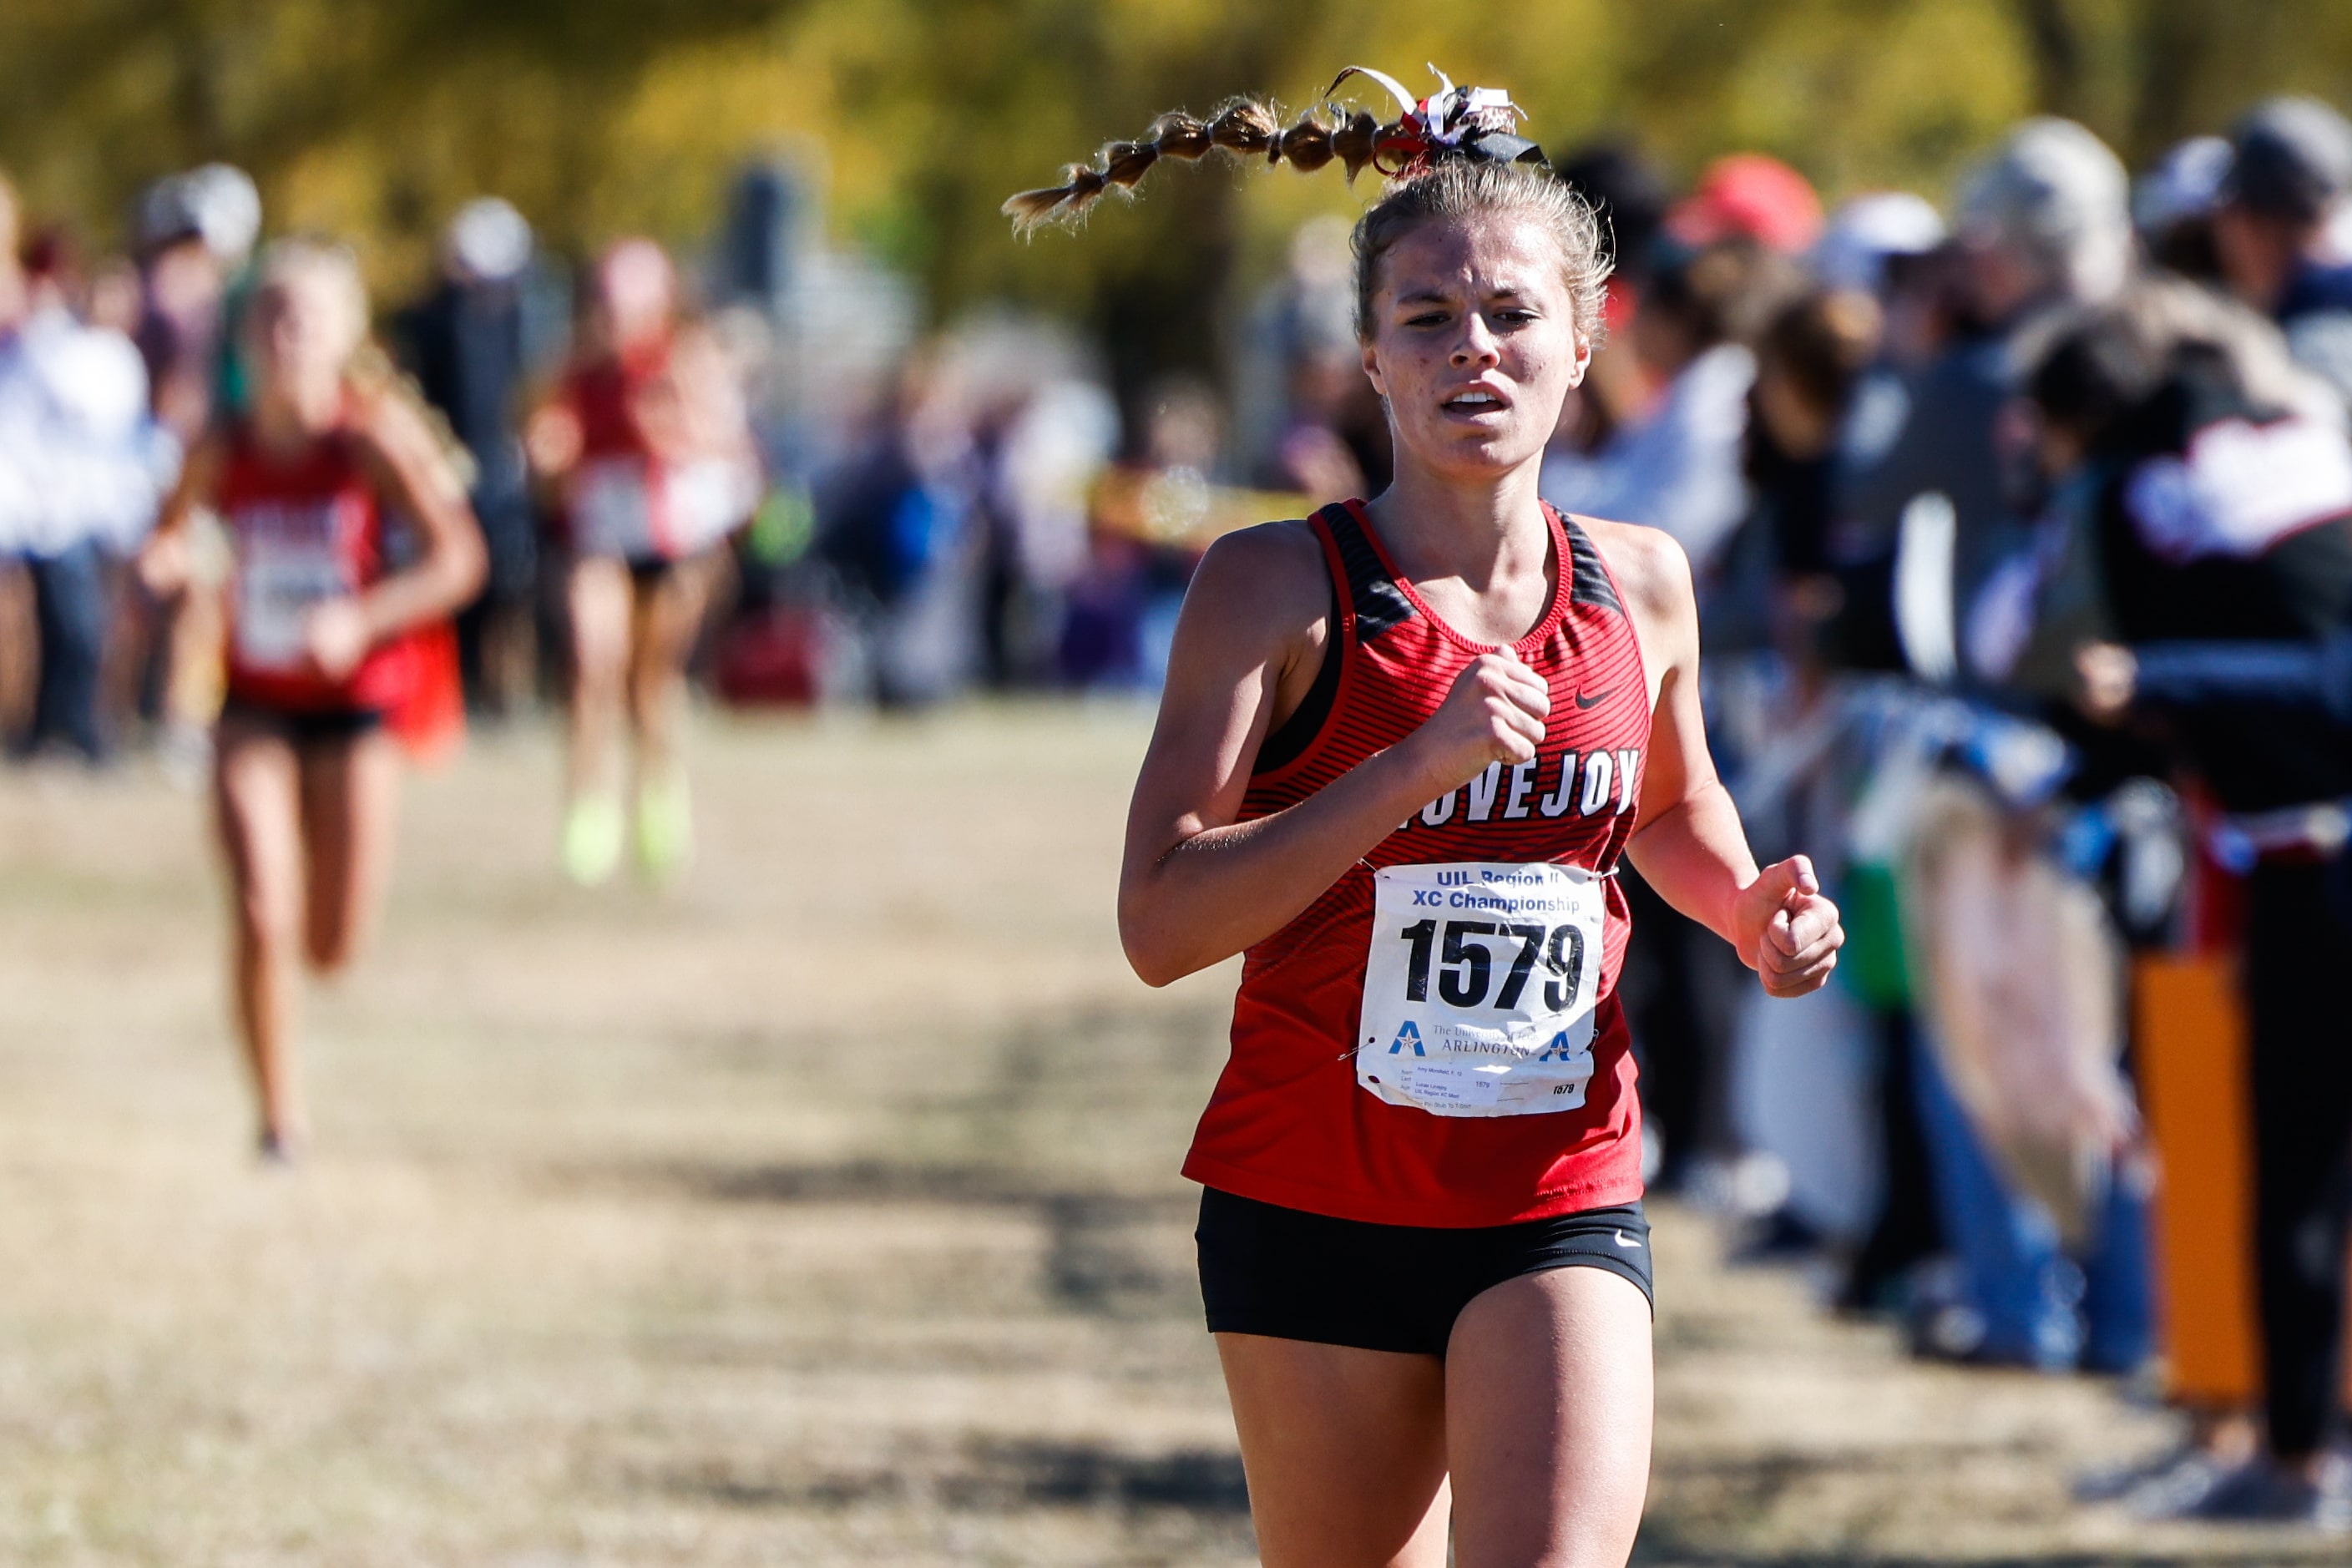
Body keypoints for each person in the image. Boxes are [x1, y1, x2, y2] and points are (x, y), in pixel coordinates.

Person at [1008, 74, 1844, 1565]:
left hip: (1554, 1187)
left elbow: (1667, 805)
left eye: (1512, 315)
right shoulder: (1271, 588)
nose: (1474, 348)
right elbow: (1159, 921)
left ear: (1584, 341)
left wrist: (1747, 912)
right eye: (1427, 319)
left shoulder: (1643, 581)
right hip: (1311, 1195)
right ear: (1368, 359)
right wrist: (1406, 767)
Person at [138, 241, 485, 1160]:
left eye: (307, 319)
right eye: (271, 317)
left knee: (330, 944)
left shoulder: (370, 442)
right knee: (261, 906)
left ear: (346, 334)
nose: (286, 337)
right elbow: (170, 536)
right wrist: (171, 562)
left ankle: (297, 1048)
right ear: (247, 335)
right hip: (250, 700)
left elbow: (461, 562)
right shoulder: (223, 445)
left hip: (356, 709)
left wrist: (363, 619)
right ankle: (278, 1121)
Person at [526, 239, 758, 886]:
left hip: (671, 543)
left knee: (651, 684)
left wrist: (674, 430)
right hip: (597, 538)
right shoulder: (574, 370)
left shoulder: (687, 361)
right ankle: (587, 812)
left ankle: (659, 805)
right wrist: (551, 459)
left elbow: (736, 458)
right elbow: (548, 458)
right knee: (590, 663)